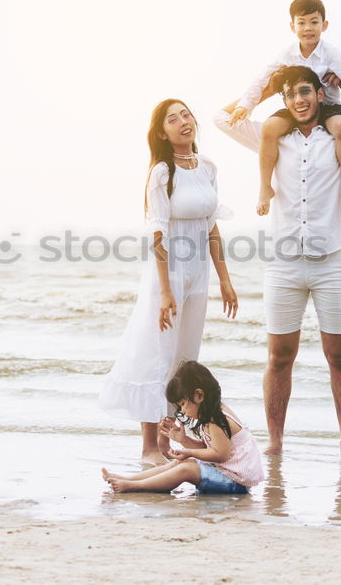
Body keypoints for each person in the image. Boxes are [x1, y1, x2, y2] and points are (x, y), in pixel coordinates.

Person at [214, 66, 341, 457]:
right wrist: (267, 91)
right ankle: (276, 442)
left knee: (340, 356)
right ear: (285, 100)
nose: (299, 100)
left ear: (320, 94)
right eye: (292, 95)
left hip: (332, 263)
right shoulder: (272, 135)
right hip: (284, 265)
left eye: (306, 91)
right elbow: (222, 118)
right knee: (278, 357)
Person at [98, 100, 239, 466]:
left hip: (198, 276)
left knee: (184, 360)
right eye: (172, 119)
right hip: (169, 274)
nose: (183, 122)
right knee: (157, 357)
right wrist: (165, 291)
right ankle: (150, 448)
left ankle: (171, 441)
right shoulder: (162, 172)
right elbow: (157, 234)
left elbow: (212, 227)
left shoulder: (207, 167)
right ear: (163, 132)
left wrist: (225, 279)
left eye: (186, 115)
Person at [227, 0, 341, 216]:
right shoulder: (287, 53)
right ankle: (265, 187)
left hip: (328, 106)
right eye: (301, 23)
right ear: (292, 26)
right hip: (297, 108)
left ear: (324, 25)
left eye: (314, 22)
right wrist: (245, 105)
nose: (308, 28)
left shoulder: (331, 53)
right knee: (269, 128)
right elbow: (262, 79)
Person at [102, 361, 265, 493]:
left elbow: (220, 455)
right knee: (179, 464)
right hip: (227, 472)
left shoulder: (215, 420)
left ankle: (134, 486)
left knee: (186, 469)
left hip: (236, 482)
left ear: (199, 395)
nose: (182, 411)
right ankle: (128, 479)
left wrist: (189, 452)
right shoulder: (211, 414)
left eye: (183, 404)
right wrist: (183, 440)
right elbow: (207, 449)